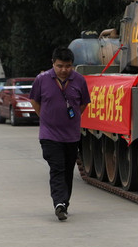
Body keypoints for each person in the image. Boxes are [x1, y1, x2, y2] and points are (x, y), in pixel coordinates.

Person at [29, 47, 91, 221]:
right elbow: (34, 100)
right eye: (60, 66)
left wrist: (72, 119)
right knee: (57, 168)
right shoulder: (42, 79)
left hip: (71, 136)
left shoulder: (79, 80)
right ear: (53, 63)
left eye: (68, 66)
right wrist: (45, 117)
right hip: (49, 135)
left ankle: (64, 203)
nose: (64, 70)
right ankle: (59, 203)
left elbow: (84, 104)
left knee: (67, 171)